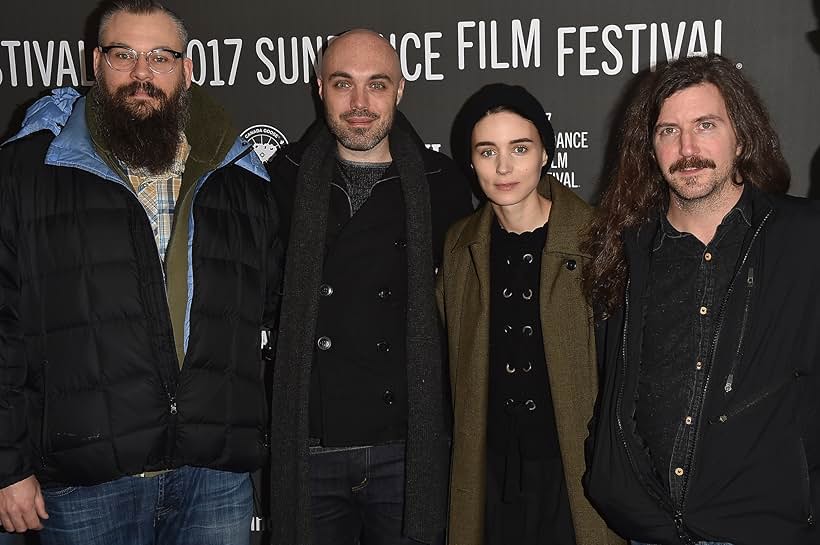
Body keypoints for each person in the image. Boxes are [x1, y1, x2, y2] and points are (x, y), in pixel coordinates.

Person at [0, 1, 282, 544]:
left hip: (213, 476)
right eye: (123, 55)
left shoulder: (240, 177)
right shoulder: (30, 172)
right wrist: (9, 465)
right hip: (87, 481)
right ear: (94, 62)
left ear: (188, 68)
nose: (142, 74)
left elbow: (269, 317)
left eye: (160, 57)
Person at [582, 53, 820, 545]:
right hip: (650, 530)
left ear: (742, 135)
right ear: (649, 147)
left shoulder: (803, 239)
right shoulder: (623, 252)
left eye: (705, 125)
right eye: (668, 131)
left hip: (765, 528)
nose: (687, 148)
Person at [266, 28, 473, 545]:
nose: (360, 103)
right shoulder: (280, 179)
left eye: (377, 84)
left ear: (400, 90)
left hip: (407, 449)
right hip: (311, 447)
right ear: (319, 88)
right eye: (343, 84)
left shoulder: (441, 183)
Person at [437, 83, 623, 545]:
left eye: (520, 148)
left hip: (573, 469)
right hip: (491, 471)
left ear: (544, 153)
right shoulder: (460, 248)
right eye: (487, 151)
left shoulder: (600, 239)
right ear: (471, 160)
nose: (504, 167)